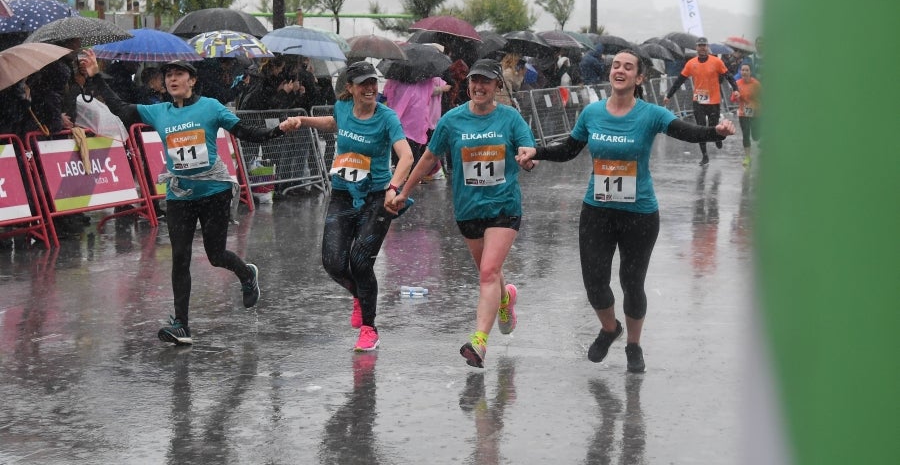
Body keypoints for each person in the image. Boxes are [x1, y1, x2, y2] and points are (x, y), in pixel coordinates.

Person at [516, 49, 735, 373]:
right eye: (616, 65)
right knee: (595, 283)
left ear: (639, 77)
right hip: (597, 211)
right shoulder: (591, 113)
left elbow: (685, 131)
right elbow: (569, 150)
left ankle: (634, 344)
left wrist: (715, 131)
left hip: (640, 215)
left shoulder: (651, 114)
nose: (620, 70)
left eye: (628, 67)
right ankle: (609, 328)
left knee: (632, 283)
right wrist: (538, 151)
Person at [82, 53, 298, 346]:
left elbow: (245, 132)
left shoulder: (211, 108)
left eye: (179, 74)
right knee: (180, 258)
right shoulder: (159, 112)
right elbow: (120, 109)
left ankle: (246, 273)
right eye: (168, 75)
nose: (172, 79)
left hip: (214, 192)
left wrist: (277, 131)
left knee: (215, 255)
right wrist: (95, 77)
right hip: (180, 194)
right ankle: (181, 325)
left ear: (192, 80)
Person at [391, 58, 536, 368]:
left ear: (497, 85)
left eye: (485, 81)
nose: (478, 86)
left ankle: (479, 342)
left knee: (487, 272)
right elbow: (429, 157)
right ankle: (506, 299)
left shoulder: (510, 118)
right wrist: (404, 191)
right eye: (474, 80)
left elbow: (527, 146)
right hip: (469, 209)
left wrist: (526, 156)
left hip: (503, 207)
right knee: (489, 272)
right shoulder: (452, 120)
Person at [282, 61, 413, 352]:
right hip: (342, 193)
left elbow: (406, 156)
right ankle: (359, 294)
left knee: (360, 260)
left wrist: (394, 188)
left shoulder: (386, 117)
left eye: (373, 83)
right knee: (333, 262)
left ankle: (369, 328)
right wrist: (303, 121)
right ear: (350, 88)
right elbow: (333, 122)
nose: (370, 89)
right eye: (363, 84)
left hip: (377, 197)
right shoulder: (343, 108)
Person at [663, 37, 739, 165]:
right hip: (698, 101)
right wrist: (668, 95)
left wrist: (735, 89)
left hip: (713, 101)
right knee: (700, 129)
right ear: (696, 48)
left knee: (712, 125)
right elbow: (679, 80)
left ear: (707, 47)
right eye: (700, 45)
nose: (702, 48)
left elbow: (729, 76)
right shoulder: (691, 63)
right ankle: (704, 156)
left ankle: (717, 138)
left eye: (704, 45)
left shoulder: (716, 62)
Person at [732, 62, 761, 167]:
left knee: (755, 136)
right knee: (745, 135)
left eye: (746, 70)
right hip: (743, 112)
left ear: (750, 72)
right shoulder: (737, 83)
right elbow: (733, 99)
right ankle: (747, 157)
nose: (744, 72)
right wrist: (736, 96)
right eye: (742, 70)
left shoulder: (756, 84)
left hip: (755, 113)